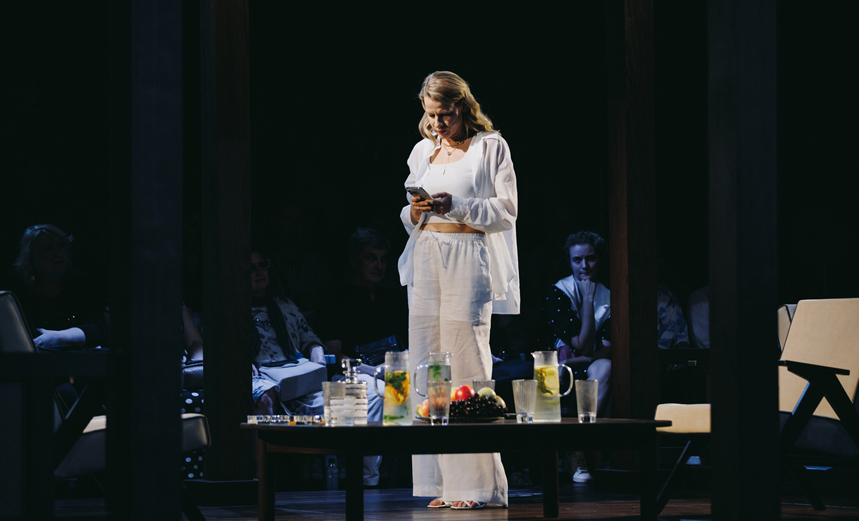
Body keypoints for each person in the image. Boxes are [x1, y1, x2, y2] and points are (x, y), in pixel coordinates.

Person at [397, 71, 519, 510]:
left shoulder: (490, 147)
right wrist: (415, 211)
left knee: (467, 361)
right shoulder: (422, 151)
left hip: (468, 255)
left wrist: (458, 205)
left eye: (445, 115)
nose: (437, 124)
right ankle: (443, 483)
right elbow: (408, 216)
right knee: (427, 362)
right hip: (427, 254)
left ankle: (478, 487)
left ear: (463, 108)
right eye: (431, 116)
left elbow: (506, 212)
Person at [316, 227, 405, 487]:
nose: (379, 265)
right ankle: (369, 480)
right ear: (355, 262)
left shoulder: (393, 299)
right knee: (380, 392)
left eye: (383, 259)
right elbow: (334, 353)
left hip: (395, 367)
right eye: (371, 258)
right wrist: (371, 370)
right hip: (354, 373)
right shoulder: (336, 300)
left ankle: (412, 479)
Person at [537, 230, 612, 484]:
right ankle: (572, 453)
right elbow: (582, 343)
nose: (584, 266)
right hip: (555, 366)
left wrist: (590, 299)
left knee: (605, 367)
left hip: (579, 363)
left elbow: (600, 349)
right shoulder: (559, 291)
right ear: (569, 262)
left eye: (590, 258)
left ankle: (576, 448)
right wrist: (587, 300)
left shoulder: (608, 294)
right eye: (577, 260)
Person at [249, 250, 327, 416]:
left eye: (263, 265)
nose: (259, 271)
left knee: (338, 400)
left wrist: (318, 357)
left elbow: (309, 339)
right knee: (266, 399)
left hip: (294, 369)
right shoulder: (232, 313)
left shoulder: (286, 305)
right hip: (259, 373)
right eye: (251, 268)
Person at [8, 224, 109, 351]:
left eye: (61, 246)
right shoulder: (19, 291)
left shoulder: (81, 284)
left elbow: (99, 330)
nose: (58, 253)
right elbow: (23, 335)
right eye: (48, 248)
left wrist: (59, 337)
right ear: (30, 257)